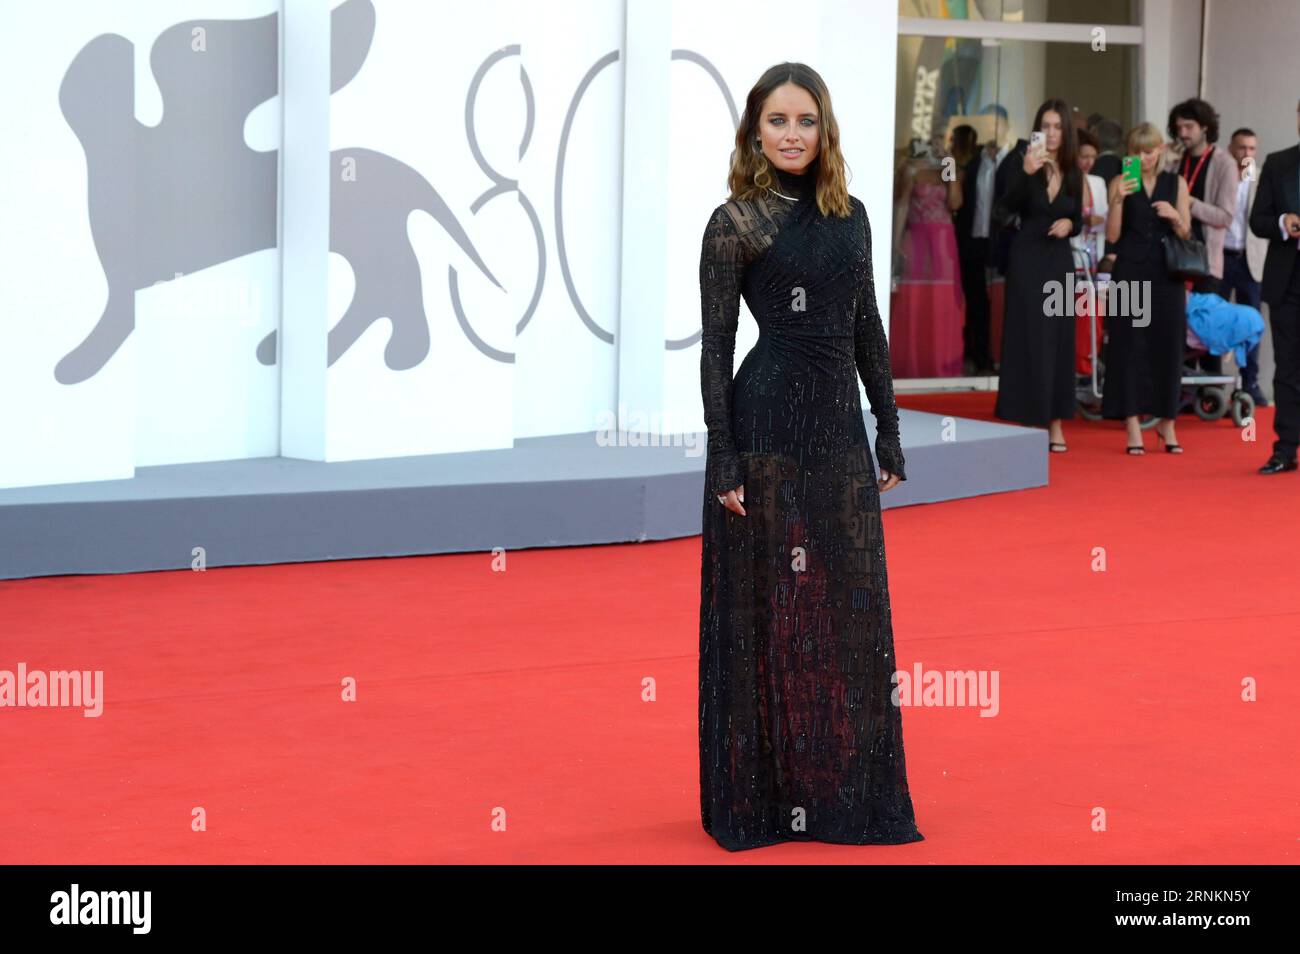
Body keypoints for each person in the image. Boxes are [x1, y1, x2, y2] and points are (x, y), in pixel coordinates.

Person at [697, 62, 924, 850]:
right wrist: (720, 456)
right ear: (754, 132)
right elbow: (717, 349)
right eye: (777, 121)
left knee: (852, 610)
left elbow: (867, 329)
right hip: (762, 429)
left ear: (824, 130)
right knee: (766, 609)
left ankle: (851, 797)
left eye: (805, 121)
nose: (792, 135)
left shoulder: (852, 215)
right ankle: (758, 801)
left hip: (837, 431)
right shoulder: (736, 223)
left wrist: (888, 425)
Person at [993, 98, 1083, 451]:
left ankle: (1056, 422)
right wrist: (1026, 173)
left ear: (1067, 131)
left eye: (1058, 126)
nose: (1052, 133)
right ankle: (1029, 418)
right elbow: (1001, 212)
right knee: (1029, 338)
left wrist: (1070, 224)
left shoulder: (1073, 169)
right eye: (1045, 126)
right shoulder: (1021, 162)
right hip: (1027, 258)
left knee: (1059, 339)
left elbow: (1078, 217)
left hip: (1059, 261)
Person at [1101, 122, 1193, 454]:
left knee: (1167, 347)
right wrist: (1118, 201)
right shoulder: (1120, 181)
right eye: (1138, 152)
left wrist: (1174, 217)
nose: (1145, 157)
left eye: (1150, 150)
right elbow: (1111, 237)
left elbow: (1186, 233)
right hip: (1129, 270)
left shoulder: (1176, 182)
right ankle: (1132, 426)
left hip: (1166, 274)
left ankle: (1167, 423)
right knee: (1128, 346)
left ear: (1161, 150)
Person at [1248, 99, 1300, 475]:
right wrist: (1284, 221)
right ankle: (1286, 448)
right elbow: (1258, 220)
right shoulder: (1278, 162)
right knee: (1287, 368)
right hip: (1289, 281)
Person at [890, 136, 965, 377]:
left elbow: (955, 203)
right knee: (914, 299)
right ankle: (913, 364)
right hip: (917, 240)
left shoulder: (947, 171)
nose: (934, 149)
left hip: (943, 242)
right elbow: (901, 205)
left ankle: (940, 362)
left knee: (942, 299)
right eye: (931, 145)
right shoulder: (912, 169)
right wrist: (895, 243)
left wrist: (949, 163)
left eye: (939, 145)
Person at [1222, 127, 1268, 406]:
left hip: (1251, 261)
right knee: (1212, 321)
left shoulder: (1262, 180)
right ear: (1231, 148)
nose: (1247, 154)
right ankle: (1209, 381)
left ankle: (1250, 382)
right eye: (1242, 148)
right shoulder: (1223, 176)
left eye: (1252, 149)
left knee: (1252, 324)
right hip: (1222, 258)